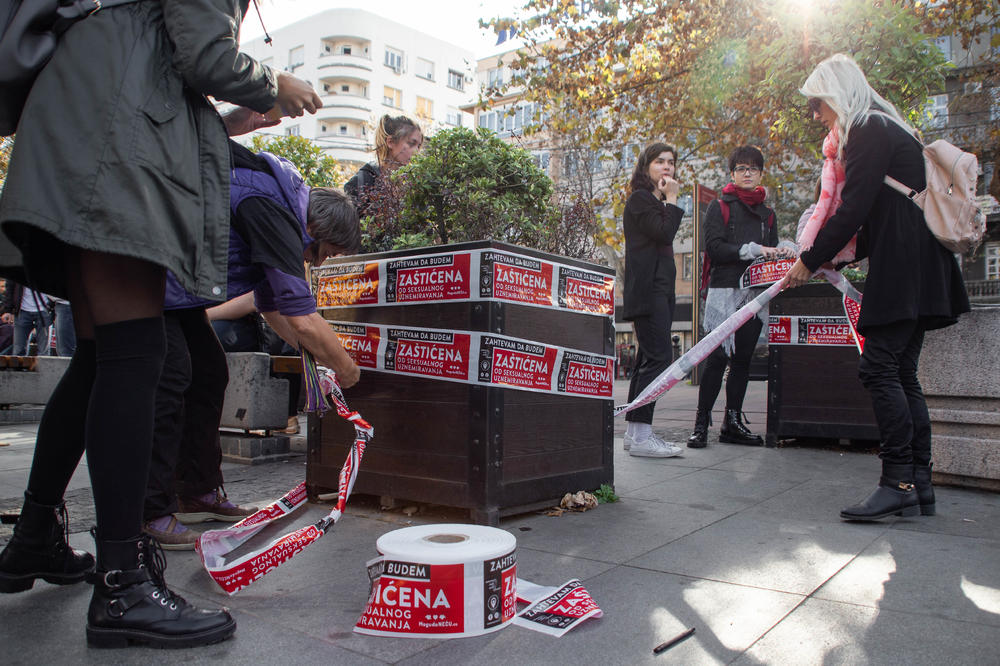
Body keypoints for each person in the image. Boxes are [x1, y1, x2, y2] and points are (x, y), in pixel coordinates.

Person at [0, 0, 323, 649]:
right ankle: (122, 582)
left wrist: (233, 113)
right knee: (137, 356)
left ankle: (36, 535)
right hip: (119, 145)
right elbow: (205, 54)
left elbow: (176, 66)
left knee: (100, 358)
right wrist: (273, 85)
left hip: (95, 120)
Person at [144, 141, 362, 550]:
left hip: (181, 293)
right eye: (325, 253)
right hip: (154, 282)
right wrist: (347, 370)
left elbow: (272, 307)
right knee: (171, 377)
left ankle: (197, 491)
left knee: (209, 371)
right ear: (315, 229)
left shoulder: (281, 211)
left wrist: (314, 356)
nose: (318, 264)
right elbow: (303, 318)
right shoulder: (273, 210)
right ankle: (149, 510)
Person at [784, 53, 969, 521]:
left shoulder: (866, 128)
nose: (816, 114)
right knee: (903, 371)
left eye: (818, 103)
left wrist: (808, 260)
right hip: (925, 260)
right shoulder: (894, 127)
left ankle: (898, 482)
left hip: (905, 262)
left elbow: (855, 207)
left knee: (879, 368)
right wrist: (831, 257)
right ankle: (919, 483)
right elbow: (876, 214)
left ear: (837, 94)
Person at [688, 146, 795, 449]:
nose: (747, 173)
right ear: (732, 173)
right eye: (741, 168)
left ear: (761, 174)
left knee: (743, 360)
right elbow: (715, 249)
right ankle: (700, 424)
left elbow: (771, 253)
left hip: (755, 293)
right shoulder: (720, 206)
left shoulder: (768, 214)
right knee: (717, 358)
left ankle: (731, 423)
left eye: (753, 169)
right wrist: (754, 249)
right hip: (724, 291)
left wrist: (782, 251)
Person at [621, 143, 684, 458]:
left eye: (671, 162)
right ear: (646, 167)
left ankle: (635, 434)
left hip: (659, 290)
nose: (667, 168)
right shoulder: (640, 199)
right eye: (660, 161)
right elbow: (664, 233)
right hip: (648, 292)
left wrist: (667, 201)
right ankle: (644, 437)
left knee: (647, 360)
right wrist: (672, 199)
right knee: (659, 360)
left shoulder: (651, 202)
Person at [345, 114, 422, 244]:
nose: (416, 151)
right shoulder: (362, 182)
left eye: (419, 146)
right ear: (390, 142)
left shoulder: (415, 185)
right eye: (411, 143)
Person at [5, 284, 52, 356]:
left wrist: (52, 308)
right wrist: (8, 309)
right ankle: (18, 367)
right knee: (18, 349)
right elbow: (10, 286)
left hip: (45, 310)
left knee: (44, 350)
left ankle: (43, 366)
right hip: (22, 310)